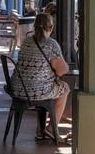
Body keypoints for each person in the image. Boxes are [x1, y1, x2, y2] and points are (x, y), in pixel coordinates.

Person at [8, 12, 71, 141]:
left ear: (34, 26)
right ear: (51, 28)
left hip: (17, 89)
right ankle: (51, 128)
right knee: (63, 89)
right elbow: (62, 71)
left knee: (44, 87)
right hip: (36, 92)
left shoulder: (26, 42)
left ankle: (39, 130)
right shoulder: (51, 44)